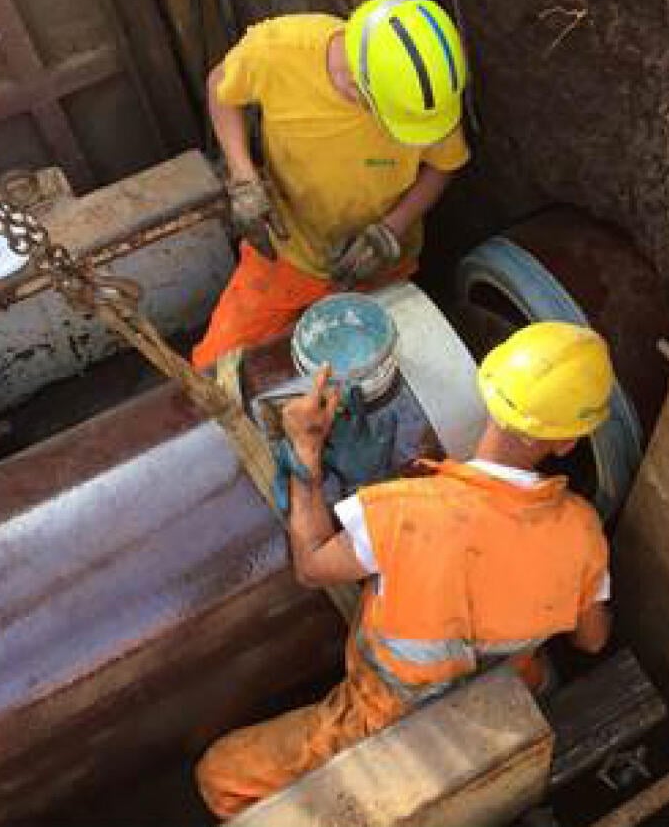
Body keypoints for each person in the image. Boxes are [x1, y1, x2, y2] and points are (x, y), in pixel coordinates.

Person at [196, 322, 616, 819]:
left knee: (219, 775)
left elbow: (311, 566)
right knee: (542, 677)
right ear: (568, 441)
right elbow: (592, 642)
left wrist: (305, 450)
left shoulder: (399, 511)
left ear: (487, 391)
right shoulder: (584, 531)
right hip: (503, 700)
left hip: (387, 721)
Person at [191, 0, 470, 369]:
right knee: (216, 369)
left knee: (381, 380)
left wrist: (390, 230)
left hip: (379, 262)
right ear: (358, 88)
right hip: (289, 251)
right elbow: (220, 88)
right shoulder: (280, 52)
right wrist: (244, 177)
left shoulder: (425, 98)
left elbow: (444, 164)